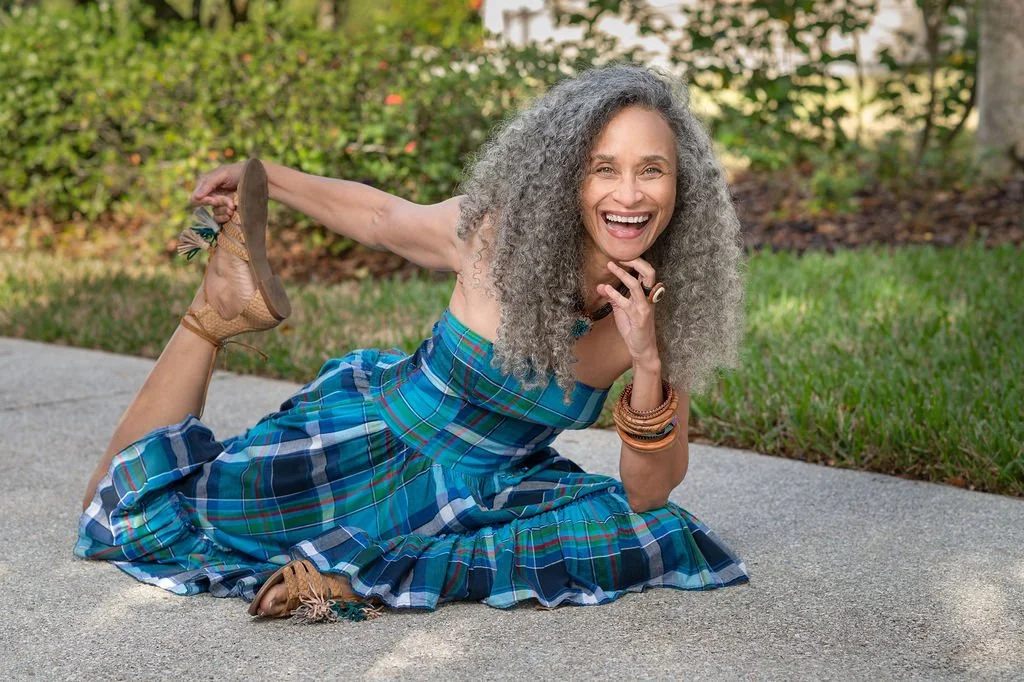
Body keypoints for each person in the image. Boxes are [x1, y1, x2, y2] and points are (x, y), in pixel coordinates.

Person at [76, 65, 749, 623]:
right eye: (605, 168)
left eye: (652, 170)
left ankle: (352, 576)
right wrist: (263, 177)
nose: (629, 194)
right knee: (124, 514)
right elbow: (380, 218)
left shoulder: (662, 307)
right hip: (367, 451)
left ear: (680, 183)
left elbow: (648, 492)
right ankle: (213, 312)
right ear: (570, 175)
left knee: (657, 532)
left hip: (492, 494)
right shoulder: (497, 239)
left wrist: (648, 360)